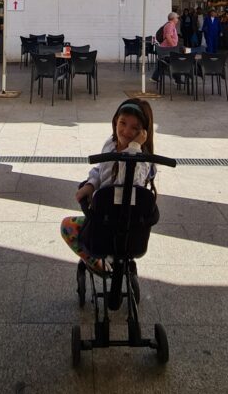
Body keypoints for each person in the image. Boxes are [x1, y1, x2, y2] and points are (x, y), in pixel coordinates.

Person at [60, 99, 156, 274]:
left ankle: (97, 264)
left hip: (124, 225)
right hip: (105, 216)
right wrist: (91, 184)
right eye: (123, 123)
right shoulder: (110, 145)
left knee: (67, 227)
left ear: (143, 133)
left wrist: (133, 149)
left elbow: (127, 181)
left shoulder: (142, 160)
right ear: (115, 121)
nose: (126, 131)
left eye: (135, 128)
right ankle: (103, 263)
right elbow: (101, 169)